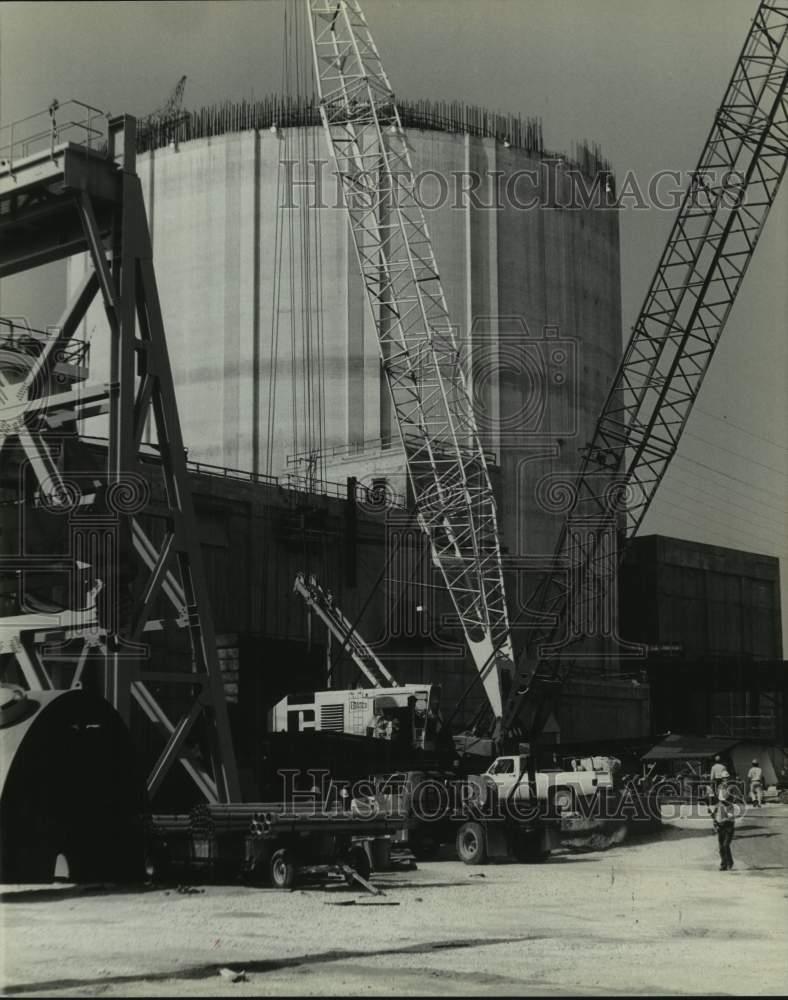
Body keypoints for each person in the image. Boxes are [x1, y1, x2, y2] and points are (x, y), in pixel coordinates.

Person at [710, 772, 736, 871]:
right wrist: (715, 821)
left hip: (728, 827)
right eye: (724, 778)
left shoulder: (730, 806)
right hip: (721, 826)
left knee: (725, 845)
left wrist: (720, 822)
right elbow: (715, 815)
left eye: (727, 778)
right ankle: (724, 864)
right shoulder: (719, 804)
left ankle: (729, 863)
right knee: (721, 847)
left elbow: (729, 818)